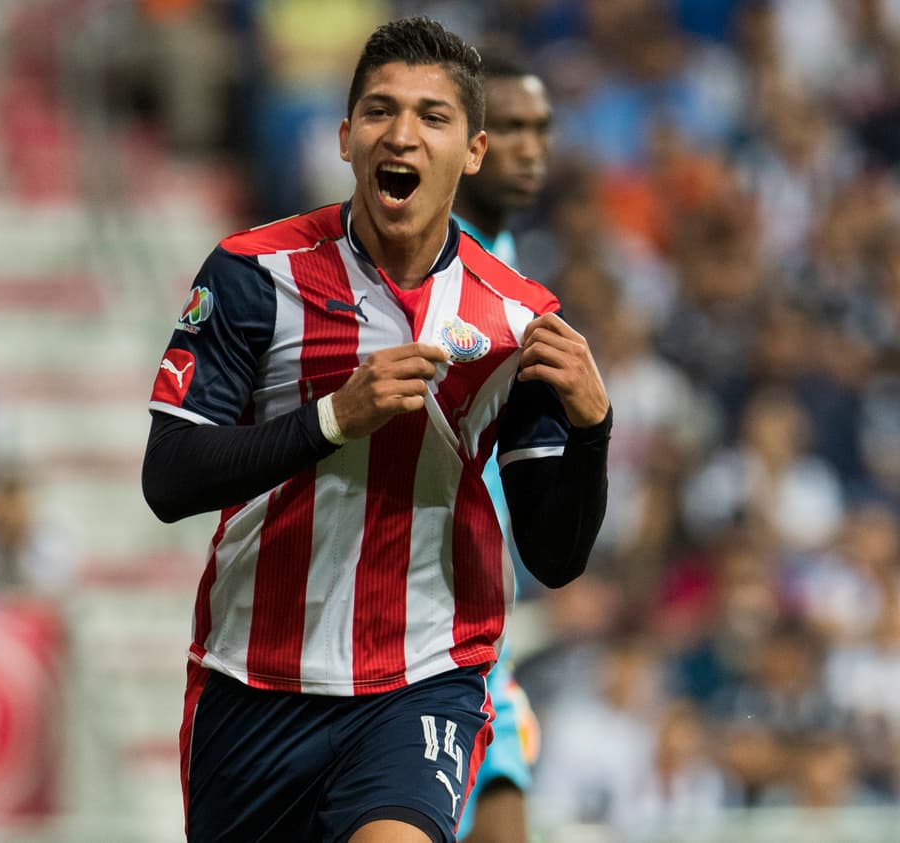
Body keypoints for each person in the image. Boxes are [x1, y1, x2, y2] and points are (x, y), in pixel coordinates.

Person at [142, 18, 612, 843]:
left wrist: (594, 429)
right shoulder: (254, 275)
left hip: (422, 676)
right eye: (379, 111)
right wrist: (333, 418)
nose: (402, 134)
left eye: (433, 116)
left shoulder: (519, 318)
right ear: (344, 137)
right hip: (254, 680)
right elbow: (170, 478)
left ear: (472, 151)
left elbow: (554, 555)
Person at [449, 49, 553, 843]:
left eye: (540, 129)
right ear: (470, 144)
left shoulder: (511, 266)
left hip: (490, 626)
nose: (531, 149)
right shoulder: (429, 271)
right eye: (511, 128)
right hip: (419, 626)